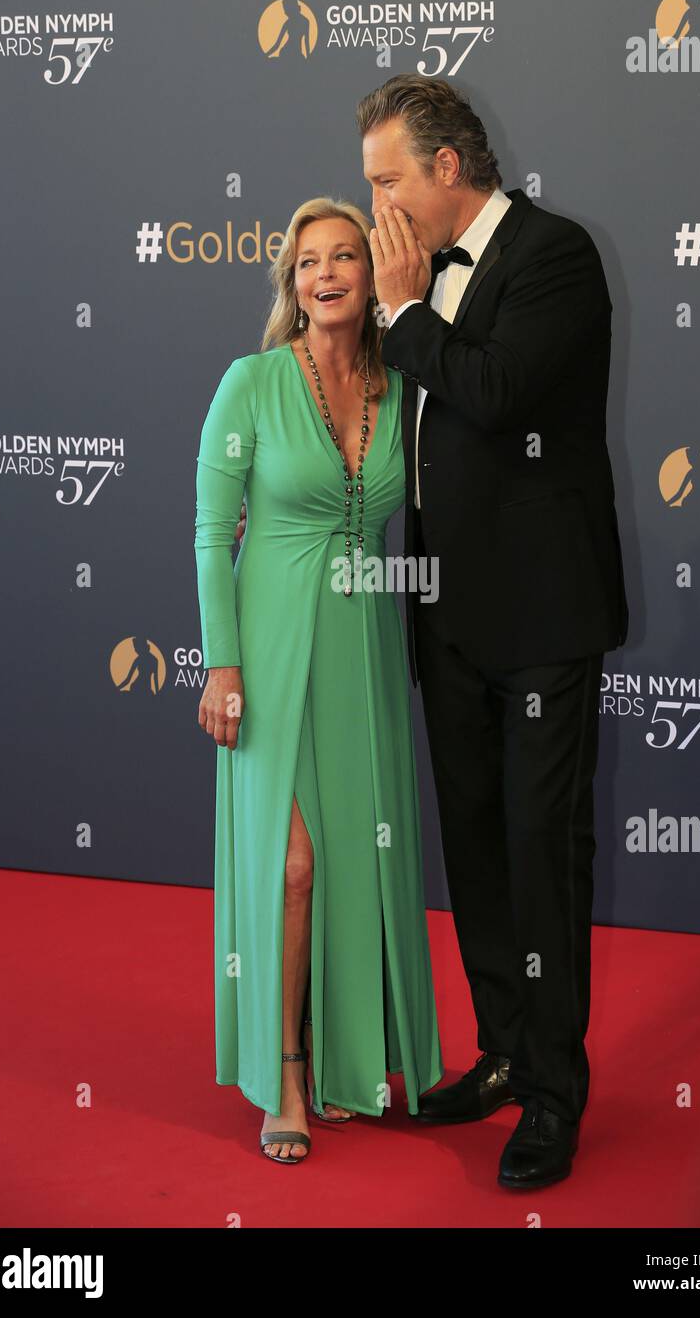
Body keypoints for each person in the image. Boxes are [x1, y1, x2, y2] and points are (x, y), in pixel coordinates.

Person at [357, 73, 629, 1189]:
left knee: (538, 855)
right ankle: (505, 1054)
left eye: (386, 180)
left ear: (448, 169)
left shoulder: (554, 254)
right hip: (448, 619)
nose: (374, 203)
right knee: (472, 851)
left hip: (541, 621)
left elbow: (500, 391)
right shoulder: (407, 278)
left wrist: (405, 312)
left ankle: (555, 1096)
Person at [193, 196, 443, 1164]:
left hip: (362, 648)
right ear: (290, 285)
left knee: (358, 856)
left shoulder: (397, 384)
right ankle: (286, 1070)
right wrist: (221, 664)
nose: (327, 273)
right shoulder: (249, 384)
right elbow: (214, 534)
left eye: (345, 256)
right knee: (292, 865)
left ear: (371, 274)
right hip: (268, 645)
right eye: (308, 263)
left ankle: (349, 1060)